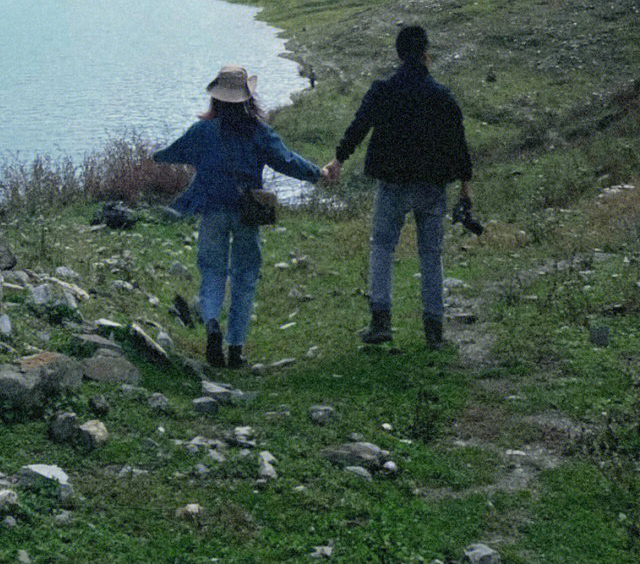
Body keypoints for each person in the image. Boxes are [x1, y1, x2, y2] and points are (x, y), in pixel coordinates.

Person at [153, 64, 325, 369]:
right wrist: (318, 174)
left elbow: (172, 153)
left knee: (213, 274)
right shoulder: (259, 132)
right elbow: (287, 161)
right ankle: (235, 349)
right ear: (248, 97)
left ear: (216, 99)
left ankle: (211, 327)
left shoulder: (203, 131)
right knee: (244, 278)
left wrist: (156, 156)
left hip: (212, 212)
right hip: (248, 213)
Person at [322, 25, 474, 350]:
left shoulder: (383, 90)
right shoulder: (441, 96)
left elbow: (359, 125)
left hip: (393, 184)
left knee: (382, 248)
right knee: (431, 255)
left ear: (398, 54)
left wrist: (339, 159)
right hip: (432, 186)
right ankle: (434, 331)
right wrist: (465, 184)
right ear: (425, 55)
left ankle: (381, 323)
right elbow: (458, 142)